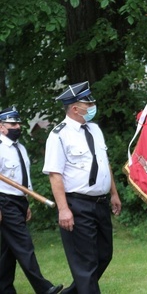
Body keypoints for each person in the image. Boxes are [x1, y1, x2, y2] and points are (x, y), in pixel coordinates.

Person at [42, 82, 121, 294]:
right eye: (89, 102)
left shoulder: (94, 129)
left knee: (104, 255)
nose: (93, 105)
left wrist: (113, 192)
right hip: (77, 205)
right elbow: (55, 175)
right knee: (85, 264)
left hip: (101, 203)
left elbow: (104, 163)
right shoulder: (59, 135)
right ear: (75, 108)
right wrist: (63, 209)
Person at [0, 106, 63, 294]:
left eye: (18, 123)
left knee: (7, 250)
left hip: (19, 201)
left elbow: (23, 177)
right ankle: (43, 288)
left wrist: (26, 202)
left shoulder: (20, 147)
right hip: (4, 201)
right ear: (1, 127)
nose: (17, 127)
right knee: (23, 244)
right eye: (12, 124)